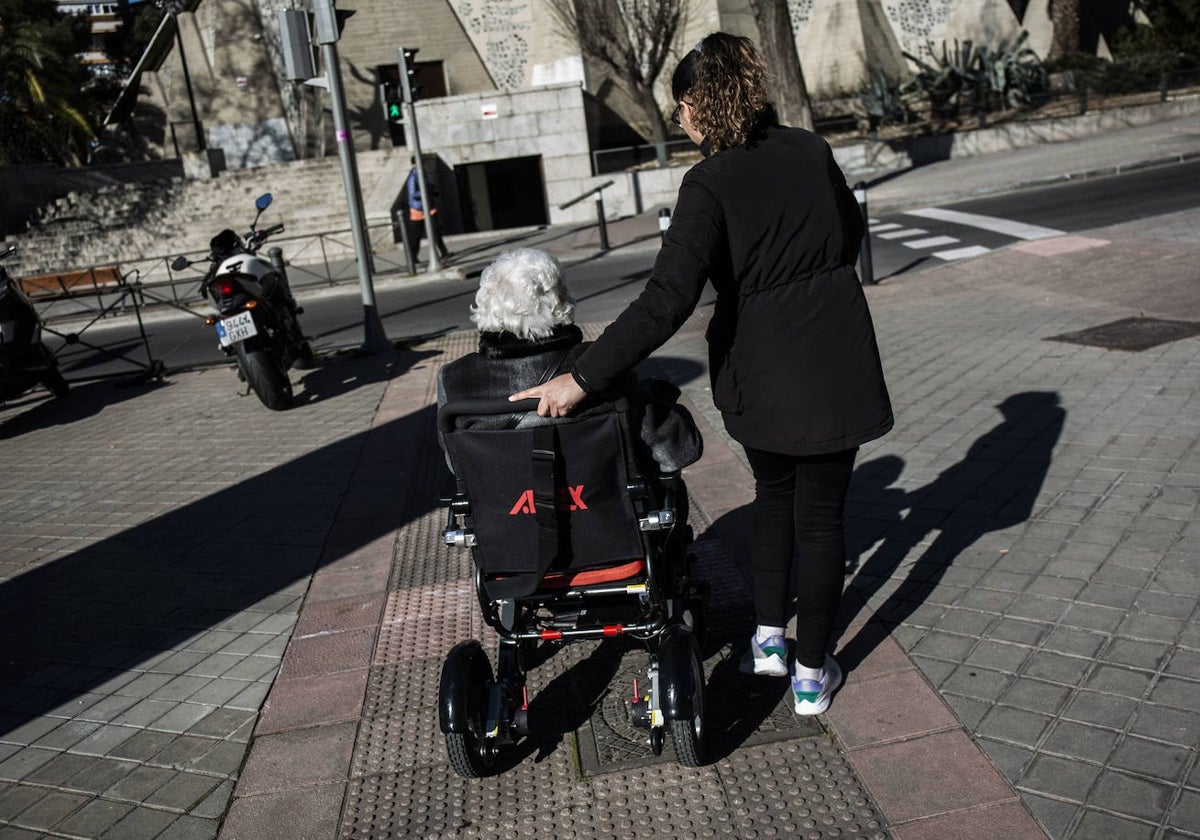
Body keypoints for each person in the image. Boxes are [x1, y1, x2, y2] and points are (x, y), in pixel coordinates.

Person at [510, 33, 893, 717]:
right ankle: (811, 675)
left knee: (776, 500)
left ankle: (774, 645)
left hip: (761, 370)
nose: (682, 121)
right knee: (821, 519)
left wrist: (582, 378)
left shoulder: (708, 183)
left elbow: (666, 299)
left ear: (696, 104)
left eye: (681, 108)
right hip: (836, 358)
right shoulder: (810, 150)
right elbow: (850, 234)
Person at [437, 247, 702, 479]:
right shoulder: (598, 365)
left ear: (485, 304)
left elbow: (455, 465)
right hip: (606, 521)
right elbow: (676, 454)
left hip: (507, 524)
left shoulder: (454, 378)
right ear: (560, 298)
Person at [405, 157, 452, 265]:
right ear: (414, 164)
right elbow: (413, 194)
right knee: (416, 235)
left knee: (436, 230)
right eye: (420, 162)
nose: (423, 165)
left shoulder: (424, 174)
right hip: (418, 209)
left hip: (429, 207)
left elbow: (430, 185)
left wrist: (432, 190)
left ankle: (443, 251)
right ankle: (412, 257)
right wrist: (425, 192)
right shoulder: (413, 177)